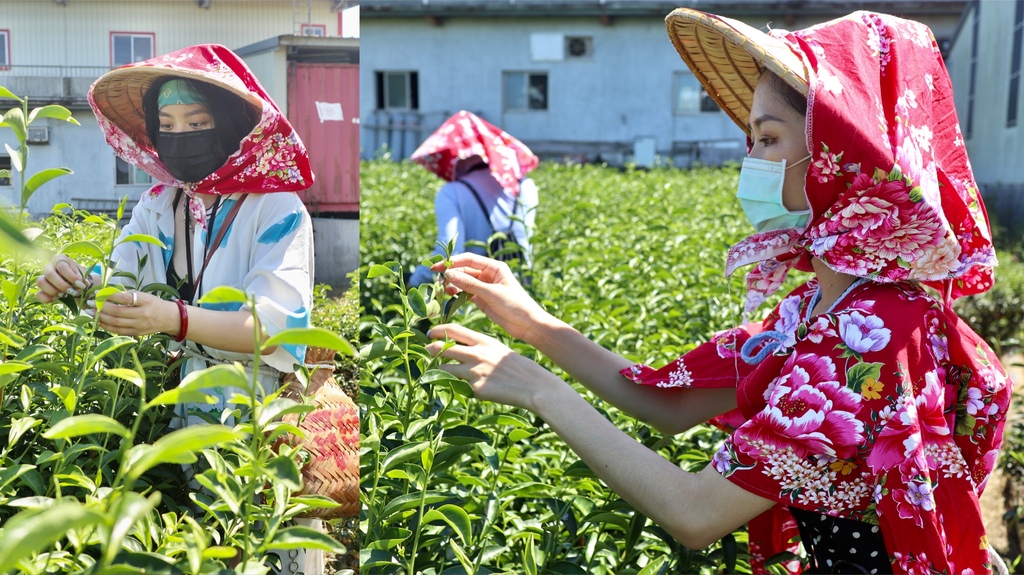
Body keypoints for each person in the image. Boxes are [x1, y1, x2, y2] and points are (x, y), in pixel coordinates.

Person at [425, 9, 1013, 575]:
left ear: (845, 155)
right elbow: (667, 404)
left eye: (768, 138)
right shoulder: (817, 309)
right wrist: (530, 322)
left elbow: (695, 511)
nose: (749, 159)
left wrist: (538, 389)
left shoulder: (876, 333)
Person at [34, 44, 321, 575]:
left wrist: (176, 320)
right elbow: (121, 285)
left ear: (231, 124)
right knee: (192, 544)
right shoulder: (160, 203)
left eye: (197, 120)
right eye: (167, 123)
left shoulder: (275, 207)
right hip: (176, 406)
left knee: (257, 546)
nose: (180, 135)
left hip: (256, 416)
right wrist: (74, 283)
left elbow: (277, 328)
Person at [408, 110, 539, 287]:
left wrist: (414, 281)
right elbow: (525, 241)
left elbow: (448, 255)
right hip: (520, 288)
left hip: (475, 296)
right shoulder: (524, 185)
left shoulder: (452, 193)